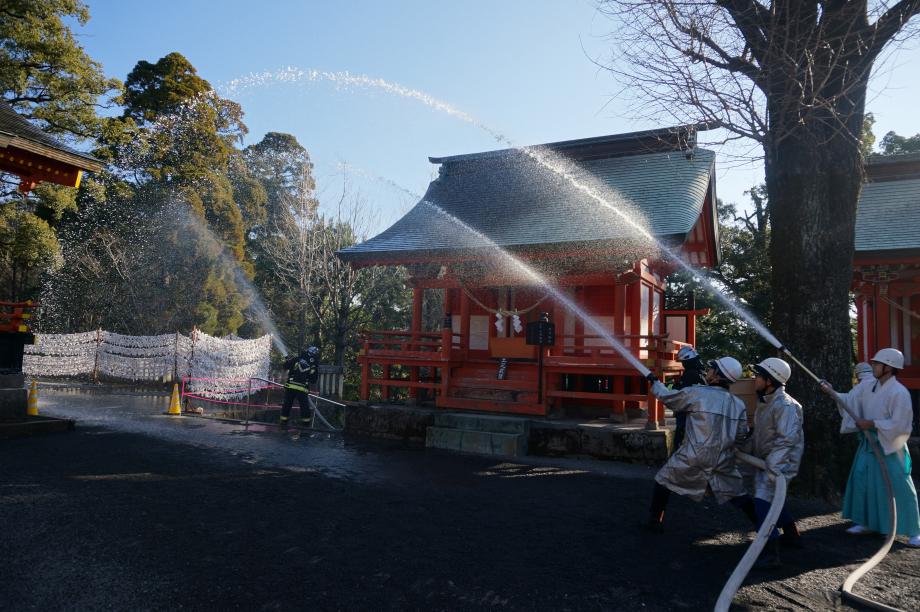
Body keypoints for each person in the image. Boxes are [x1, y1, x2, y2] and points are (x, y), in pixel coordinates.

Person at [820, 349, 920, 548]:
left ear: (889, 367)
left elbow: (901, 423)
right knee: (862, 480)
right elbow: (850, 401)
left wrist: (873, 423)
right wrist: (831, 392)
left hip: (890, 444)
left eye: (876, 364)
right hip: (869, 443)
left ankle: (913, 531)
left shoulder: (899, 392)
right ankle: (867, 522)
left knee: (899, 485)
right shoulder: (869, 387)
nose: (872, 366)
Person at [642, 357, 750, 532]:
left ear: (716, 376)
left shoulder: (698, 393)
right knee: (738, 495)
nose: (707, 372)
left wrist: (656, 383)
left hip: (693, 455)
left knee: (663, 481)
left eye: (711, 369)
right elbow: (741, 435)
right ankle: (769, 530)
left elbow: (668, 397)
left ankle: (655, 521)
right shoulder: (738, 404)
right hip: (723, 458)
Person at [735, 357, 805, 569]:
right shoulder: (766, 401)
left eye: (758, 376)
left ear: (770, 380)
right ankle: (793, 535)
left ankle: (770, 551)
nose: (754, 379)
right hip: (767, 460)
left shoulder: (786, 405)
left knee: (763, 502)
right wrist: (742, 449)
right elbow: (759, 434)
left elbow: (787, 439)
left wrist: (773, 466)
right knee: (770, 499)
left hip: (781, 462)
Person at [672, 345, 707, 449]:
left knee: (681, 442)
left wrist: (674, 387)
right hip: (698, 413)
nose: (682, 364)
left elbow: (682, 394)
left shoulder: (690, 374)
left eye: (683, 362)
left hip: (687, 413)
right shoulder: (701, 372)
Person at [280, 346, 320, 430]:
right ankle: (306, 425)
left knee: (287, 405)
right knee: (304, 407)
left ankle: (283, 423)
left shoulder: (297, 358)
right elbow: (313, 380)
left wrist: (288, 361)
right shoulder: (313, 365)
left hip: (290, 386)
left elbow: (285, 366)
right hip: (302, 389)